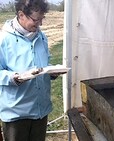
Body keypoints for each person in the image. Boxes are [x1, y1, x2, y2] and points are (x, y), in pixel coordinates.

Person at [0, 0, 63, 140]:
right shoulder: (3, 39)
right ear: (21, 15)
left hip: (40, 110)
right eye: (36, 19)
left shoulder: (41, 37)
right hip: (16, 114)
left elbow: (43, 64)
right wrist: (13, 78)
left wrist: (51, 72)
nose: (40, 24)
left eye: (42, 19)